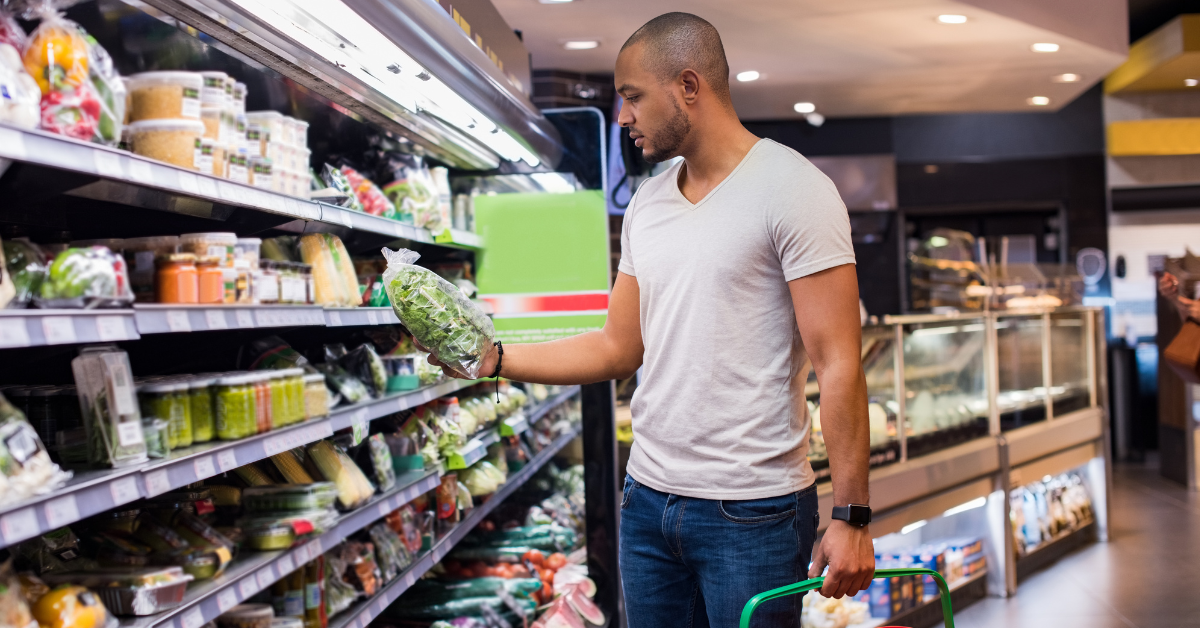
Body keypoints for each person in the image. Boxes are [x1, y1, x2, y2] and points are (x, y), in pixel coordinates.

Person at [420, 12, 874, 627]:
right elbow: (616, 347)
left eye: (632, 97)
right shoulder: (649, 203)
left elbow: (840, 362)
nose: (621, 117)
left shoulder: (793, 189)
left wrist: (852, 518)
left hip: (753, 512)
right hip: (647, 503)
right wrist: (494, 358)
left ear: (689, 85)